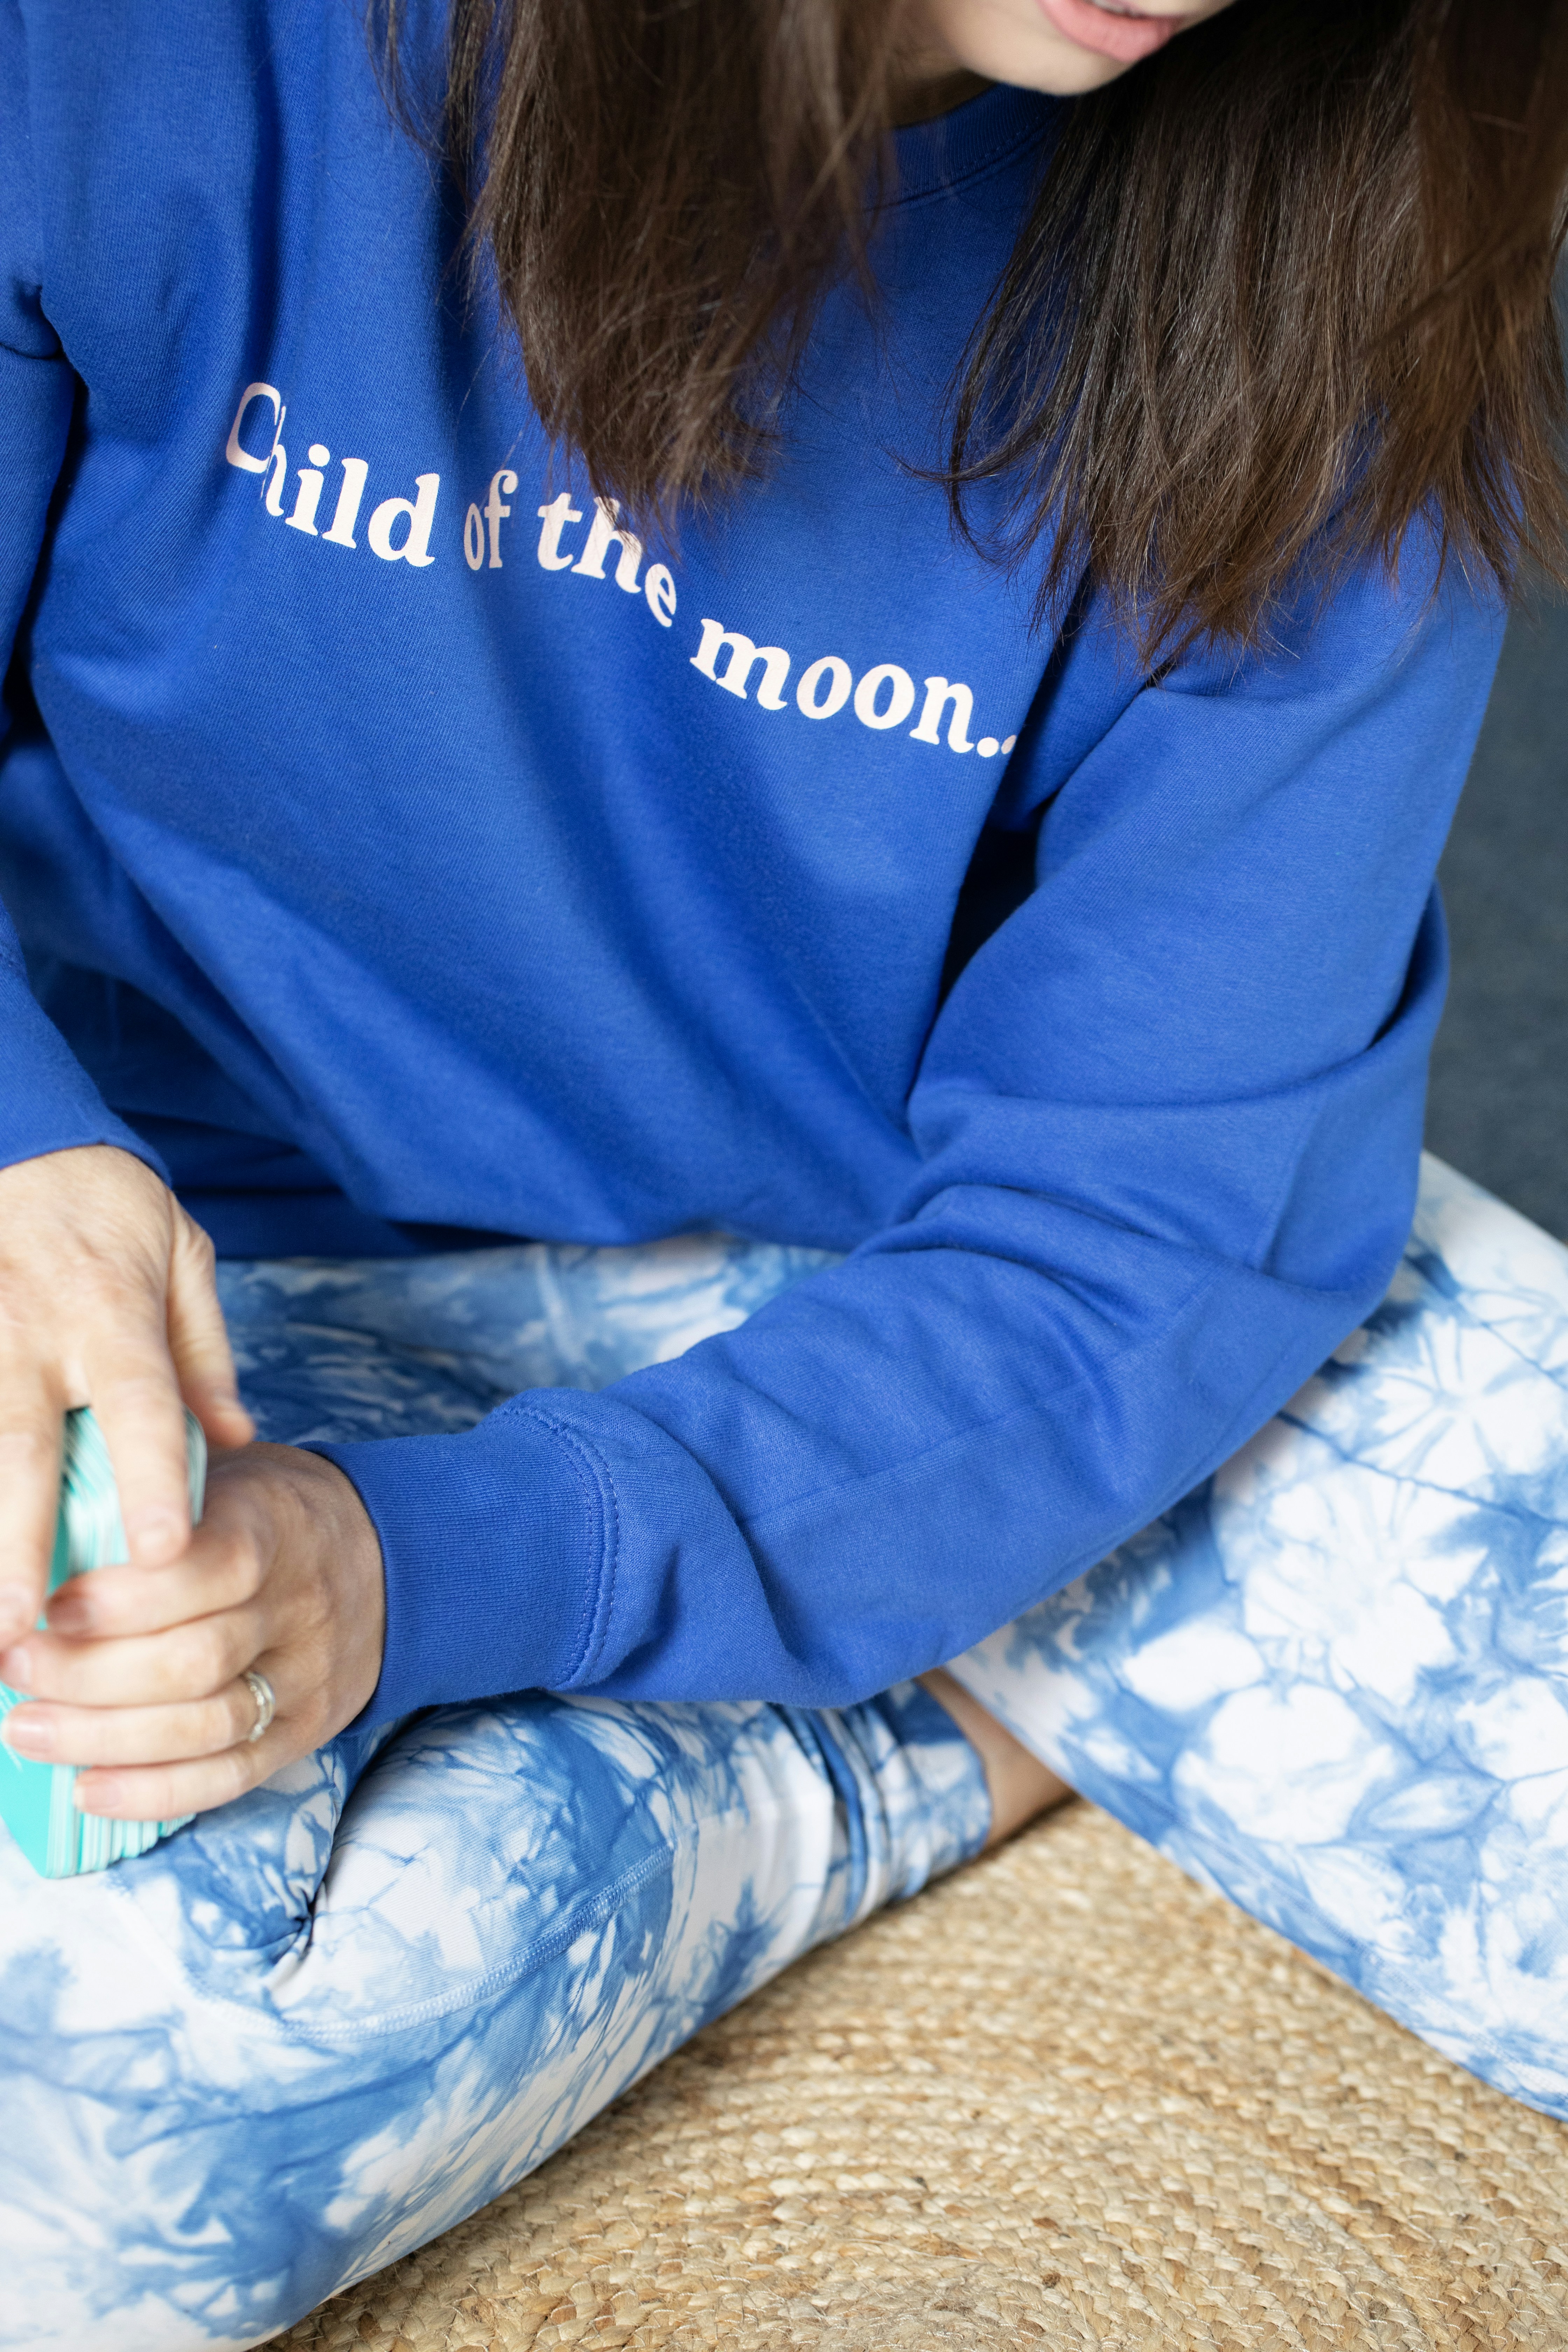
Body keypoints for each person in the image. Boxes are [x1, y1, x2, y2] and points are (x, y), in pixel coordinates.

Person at [1, 0, 1566, 2342]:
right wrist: (21, 1151)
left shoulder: (1389, 222)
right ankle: (943, 1702)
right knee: (78, 2186)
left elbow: (1123, 1240)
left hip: (901, 1306)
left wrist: (436, 1571)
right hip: (182, 1257)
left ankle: (879, 1720)